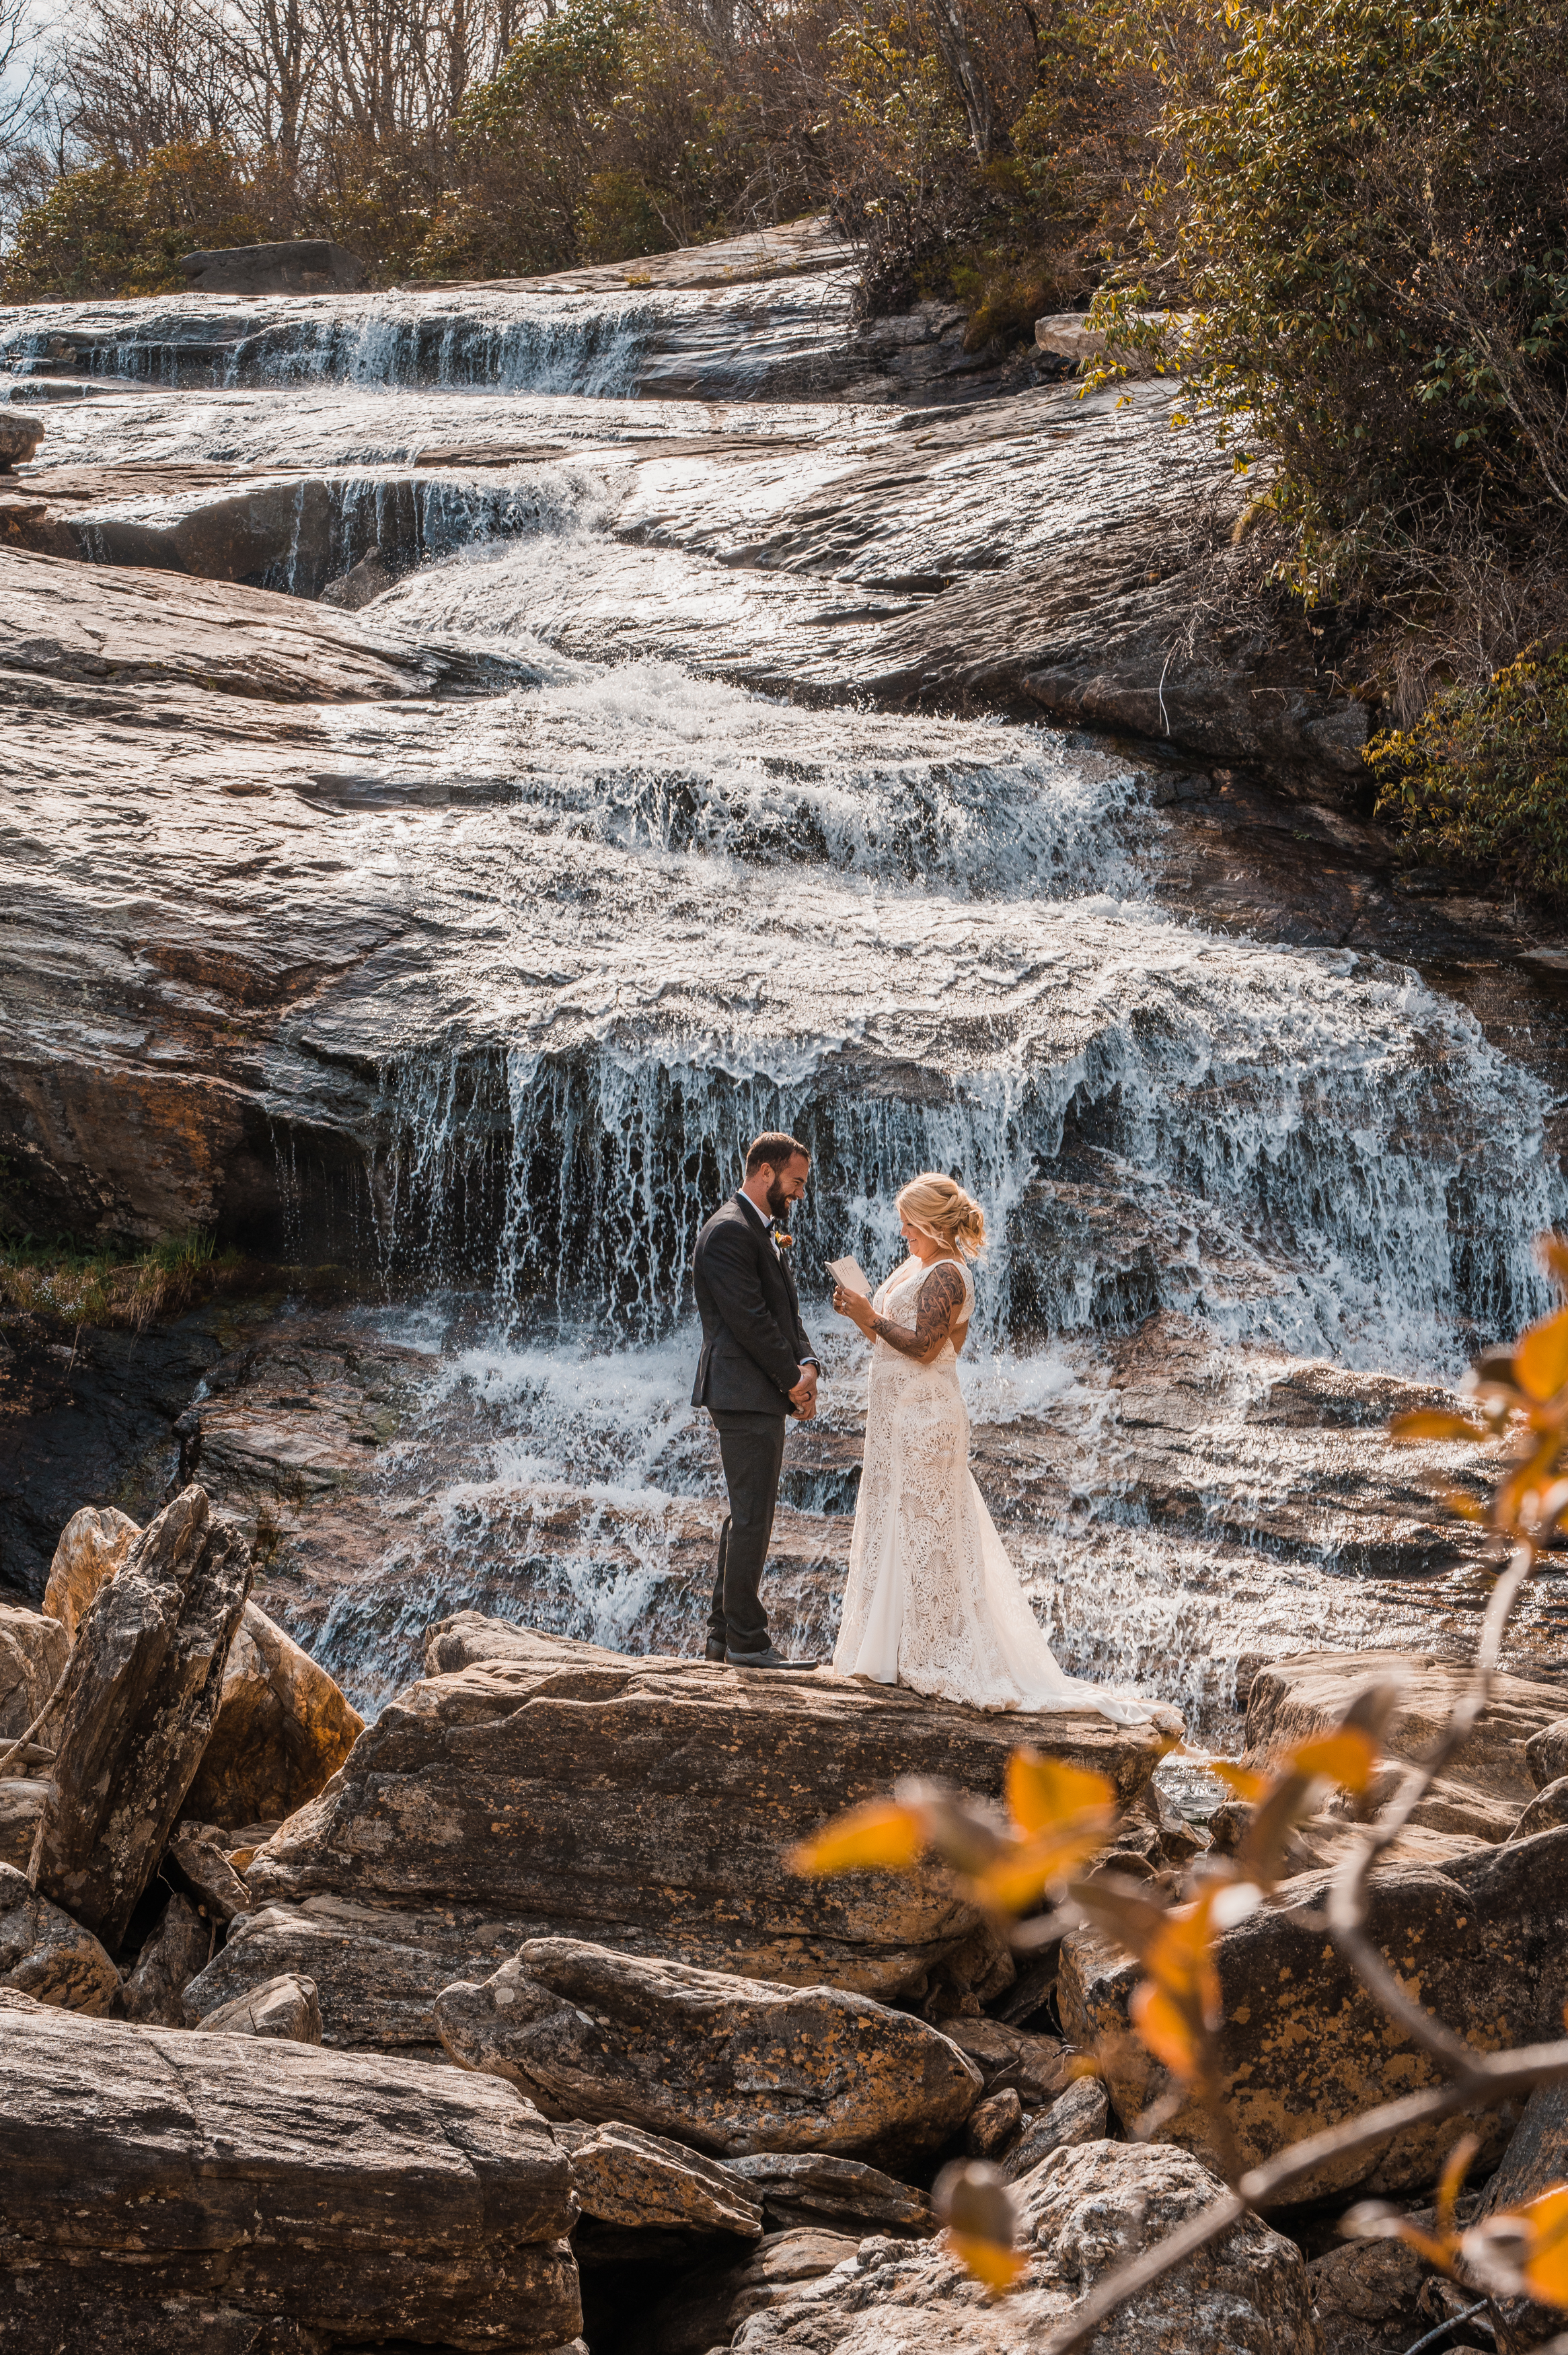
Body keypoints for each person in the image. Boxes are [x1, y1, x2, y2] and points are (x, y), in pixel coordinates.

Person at [829, 1171, 1152, 1724]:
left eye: (909, 1219)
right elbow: (890, 1342)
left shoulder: (948, 1273)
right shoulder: (913, 1267)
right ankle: (893, 1647)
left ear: (932, 1221)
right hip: (895, 1418)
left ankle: (928, 1651)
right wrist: (863, 1316)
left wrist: (871, 1316)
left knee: (926, 1526)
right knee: (897, 1522)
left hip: (925, 1420)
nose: (902, 1229)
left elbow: (926, 1349)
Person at [692, 1131, 820, 1671]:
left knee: (745, 1516)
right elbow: (749, 1321)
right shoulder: (728, 1230)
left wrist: (809, 1365)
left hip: (757, 1391)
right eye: (795, 1182)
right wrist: (792, 1379)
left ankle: (723, 1636)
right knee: (752, 1519)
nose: (800, 1194)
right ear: (764, 1172)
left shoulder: (758, 1230)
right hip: (744, 1393)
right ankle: (747, 1641)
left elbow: (784, 1315)